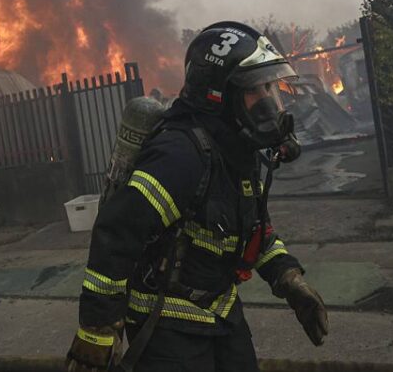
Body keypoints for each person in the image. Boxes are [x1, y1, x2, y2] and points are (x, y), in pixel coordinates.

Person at [66, 21, 328, 372]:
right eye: (255, 90)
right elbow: (117, 234)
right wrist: (98, 327)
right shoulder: (180, 154)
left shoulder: (236, 151)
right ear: (218, 95)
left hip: (220, 313)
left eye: (270, 87)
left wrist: (290, 279)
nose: (268, 101)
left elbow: (253, 231)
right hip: (166, 323)